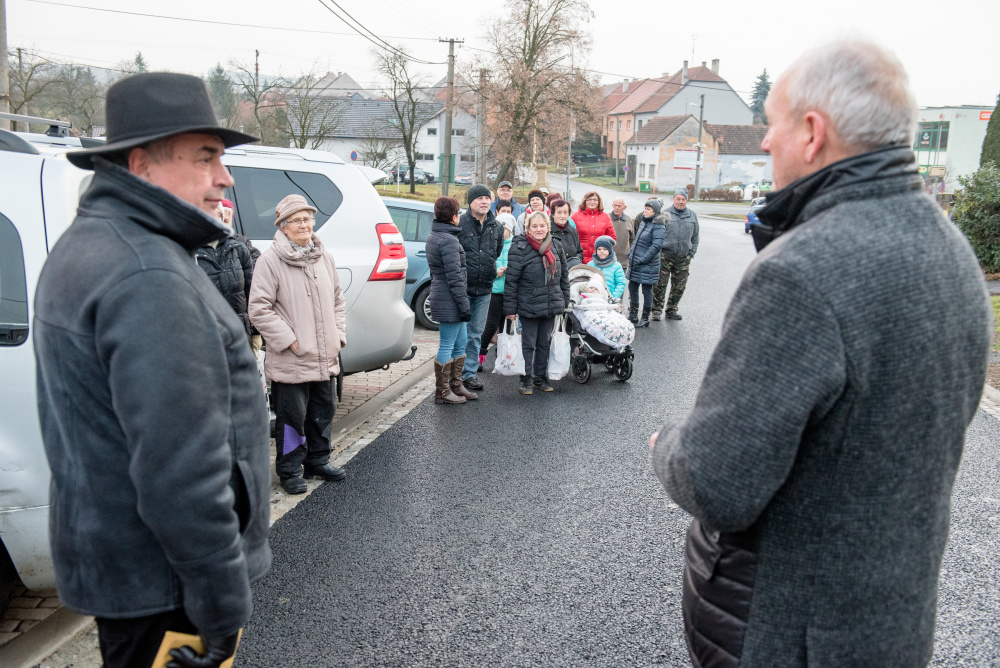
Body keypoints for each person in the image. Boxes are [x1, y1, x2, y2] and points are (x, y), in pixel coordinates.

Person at [650, 40, 993, 668]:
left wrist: (666, 444)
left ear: (812, 133)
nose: (762, 143)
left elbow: (717, 482)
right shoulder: (953, 253)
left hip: (789, 634)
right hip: (892, 623)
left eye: (771, 124)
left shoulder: (802, 272)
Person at [33, 72, 268, 668]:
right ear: (141, 164)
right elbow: (181, 467)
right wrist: (220, 604)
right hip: (167, 590)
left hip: (132, 574)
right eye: (206, 157)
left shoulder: (97, 241)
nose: (225, 177)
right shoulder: (148, 272)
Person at [249, 194, 348, 495]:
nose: (305, 224)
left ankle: (318, 461)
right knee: (292, 418)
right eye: (297, 220)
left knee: (323, 410)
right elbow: (259, 309)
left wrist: (338, 334)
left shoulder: (324, 257)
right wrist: (289, 341)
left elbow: (338, 300)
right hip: (292, 357)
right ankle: (290, 470)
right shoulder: (270, 261)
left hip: (324, 354)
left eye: (308, 219)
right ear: (283, 226)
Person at [503, 211, 570, 395]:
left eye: (542, 226)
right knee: (528, 344)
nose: (539, 229)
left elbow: (564, 276)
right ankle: (525, 378)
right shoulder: (519, 247)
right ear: (528, 228)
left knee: (544, 343)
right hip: (529, 303)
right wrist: (510, 309)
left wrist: (564, 300)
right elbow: (511, 281)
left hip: (551, 303)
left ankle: (540, 377)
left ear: (548, 227)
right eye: (535, 226)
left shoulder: (556, 245)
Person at [425, 196, 478, 405]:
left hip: (447, 297)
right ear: (454, 216)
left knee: (461, 343)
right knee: (447, 344)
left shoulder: (437, 236)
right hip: (449, 299)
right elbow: (454, 277)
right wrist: (464, 305)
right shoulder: (448, 240)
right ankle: (443, 391)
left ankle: (456, 385)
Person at [458, 184, 506, 391]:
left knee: (476, 332)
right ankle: (455, 374)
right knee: (460, 333)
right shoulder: (460, 224)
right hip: (463, 288)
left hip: (485, 288)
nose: (484, 202)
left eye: (487, 198)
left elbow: (497, 251)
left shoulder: (497, 227)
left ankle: (469, 374)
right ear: (471, 202)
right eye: (480, 198)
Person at [196, 205, 256, 342]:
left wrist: (256, 332)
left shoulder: (238, 248)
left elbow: (252, 294)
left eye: (216, 214)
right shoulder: (189, 252)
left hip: (240, 333)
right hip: (207, 335)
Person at [651, 189, 699, 321]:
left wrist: (691, 253)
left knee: (679, 286)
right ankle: (656, 309)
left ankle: (671, 309)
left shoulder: (692, 216)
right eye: (678, 199)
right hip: (665, 256)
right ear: (673, 199)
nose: (680, 201)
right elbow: (656, 234)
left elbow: (695, 237)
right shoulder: (664, 214)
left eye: (683, 199)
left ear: (686, 200)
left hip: (683, 257)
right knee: (660, 284)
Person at [479, 212, 515, 371]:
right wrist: (495, 273)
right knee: (491, 325)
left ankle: (502, 358)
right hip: (494, 290)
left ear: (510, 229)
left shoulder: (515, 244)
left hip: (510, 291)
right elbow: (483, 267)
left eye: (504, 228)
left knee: (506, 325)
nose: (501, 230)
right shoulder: (489, 243)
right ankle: (479, 355)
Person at [625, 199, 665, 327]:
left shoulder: (658, 225)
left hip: (647, 264)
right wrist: (631, 253)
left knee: (646, 290)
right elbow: (636, 240)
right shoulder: (644, 222)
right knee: (632, 287)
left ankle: (645, 317)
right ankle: (633, 315)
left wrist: (644, 259)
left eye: (648, 209)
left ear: (655, 211)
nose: (645, 211)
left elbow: (656, 246)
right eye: (645, 208)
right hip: (636, 262)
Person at [570, 190, 616, 263]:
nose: (592, 202)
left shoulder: (605, 217)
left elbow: (611, 237)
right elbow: (569, 237)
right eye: (589, 199)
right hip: (579, 260)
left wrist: (604, 253)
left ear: (599, 202)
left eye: (595, 200)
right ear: (585, 201)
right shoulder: (575, 216)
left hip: (599, 260)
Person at [587, 235, 626, 300]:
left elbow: (621, 283)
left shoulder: (616, 266)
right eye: (599, 249)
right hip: (592, 298)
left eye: (605, 249)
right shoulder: (590, 265)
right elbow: (585, 281)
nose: (602, 251)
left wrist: (613, 297)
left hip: (609, 298)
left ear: (609, 250)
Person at [549, 199, 583, 267]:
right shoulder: (547, 231)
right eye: (559, 212)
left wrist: (574, 262)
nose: (562, 216)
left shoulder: (573, 231)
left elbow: (579, 252)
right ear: (553, 214)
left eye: (565, 212)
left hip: (572, 269)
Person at [609, 198, 635, 272]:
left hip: (623, 261)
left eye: (619, 206)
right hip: (608, 260)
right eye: (615, 205)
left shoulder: (629, 220)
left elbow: (632, 239)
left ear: (624, 207)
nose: (617, 208)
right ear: (612, 206)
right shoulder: (607, 218)